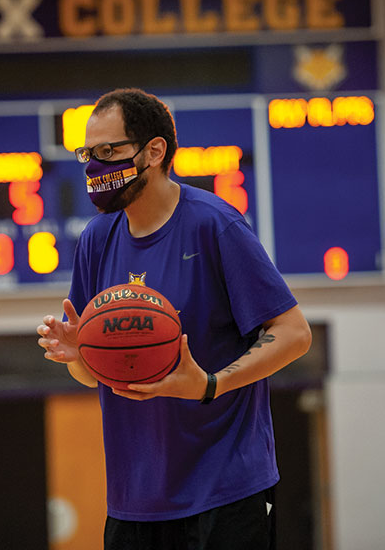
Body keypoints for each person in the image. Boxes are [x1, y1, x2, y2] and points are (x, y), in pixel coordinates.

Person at [37, 88, 311, 549]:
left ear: (155, 151)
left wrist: (209, 383)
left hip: (226, 488)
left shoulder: (214, 224)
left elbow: (294, 333)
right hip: (134, 497)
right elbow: (94, 375)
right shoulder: (96, 239)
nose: (94, 166)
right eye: (88, 153)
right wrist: (76, 354)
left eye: (109, 151)